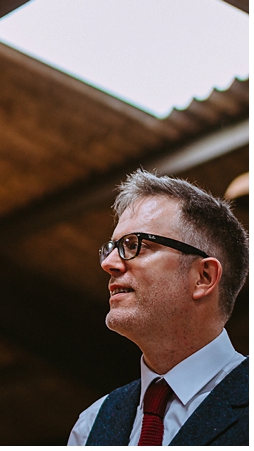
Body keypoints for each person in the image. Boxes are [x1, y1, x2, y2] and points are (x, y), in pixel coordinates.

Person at [68, 170, 248, 445]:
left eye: (134, 244)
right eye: (112, 247)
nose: (109, 263)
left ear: (204, 277)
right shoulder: (91, 425)